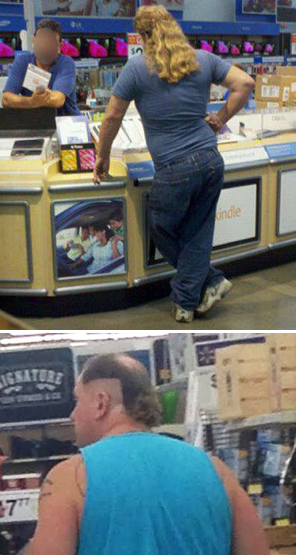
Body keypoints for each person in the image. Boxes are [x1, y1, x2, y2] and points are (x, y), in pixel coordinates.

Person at [0, 353, 291, 555]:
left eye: (77, 401)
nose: (72, 415)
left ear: (100, 402)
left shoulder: (71, 477)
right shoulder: (215, 471)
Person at [93, 6, 255, 322]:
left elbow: (112, 115)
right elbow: (245, 83)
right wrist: (220, 118)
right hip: (210, 159)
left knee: (162, 227)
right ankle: (199, 290)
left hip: (174, 166)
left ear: (142, 36)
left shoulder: (137, 68)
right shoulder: (203, 59)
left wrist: (101, 156)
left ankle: (196, 291)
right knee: (197, 230)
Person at [2, 20, 80, 116]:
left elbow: (58, 100)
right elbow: (6, 99)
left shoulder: (66, 63)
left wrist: (30, 101)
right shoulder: (22, 62)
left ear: (60, 46)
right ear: (34, 41)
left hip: (67, 125)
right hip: (37, 126)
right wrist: (31, 101)